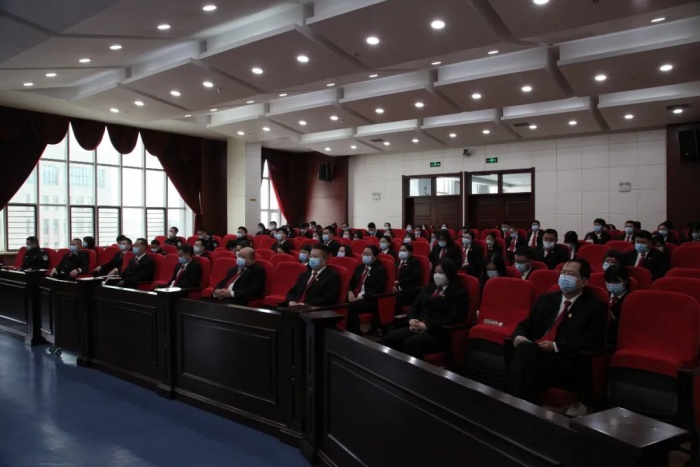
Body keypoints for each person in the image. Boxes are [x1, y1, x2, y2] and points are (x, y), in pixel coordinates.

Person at [506, 259, 607, 404]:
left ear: (584, 281)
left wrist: (556, 346)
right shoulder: (546, 299)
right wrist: (519, 336)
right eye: (563, 273)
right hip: (535, 350)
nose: (564, 277)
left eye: (570, 274)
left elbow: (592, 340)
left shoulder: (595, 306)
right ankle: (525, 405)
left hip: (564, 358)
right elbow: (526, 324)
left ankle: (515, 404)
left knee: (522, 359)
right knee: (523, 350)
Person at [382, 258, 469, 358]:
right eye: (435, 272)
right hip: (417, 327)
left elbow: (452, 318)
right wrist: (411, 319)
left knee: (411, 343)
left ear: (450, 274)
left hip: (438, 332)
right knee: (390, 338)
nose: (437, 275)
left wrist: (427, 326)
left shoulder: (458, 293)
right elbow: (415, 306)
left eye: (441, 272)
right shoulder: (429, 288)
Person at [346, 245, 387, 335]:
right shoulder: (360, 267)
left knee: (351, 307)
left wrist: (362, 297)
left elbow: (379, 289)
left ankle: (355, 334)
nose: (364, 256)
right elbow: (351, 283)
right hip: (356, 297)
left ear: (375, 257)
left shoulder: (380, 270)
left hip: (370, 299)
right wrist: (350, 292)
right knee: (342, 303)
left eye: (368, 254)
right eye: (364, 254)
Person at [604, 264, 631, 345]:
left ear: (625, 281)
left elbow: (631, 327)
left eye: (615, 282)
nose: (611, 285)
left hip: (616, 338)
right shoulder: (603, 296)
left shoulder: (631, 300)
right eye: (609, 282)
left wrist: (613, 318)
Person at [394, 243, 423, 313]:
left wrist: (399, 282)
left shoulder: (414, 262)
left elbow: (414, 277)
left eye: (404, 250)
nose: (401, 252)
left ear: (410, 252)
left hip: (409, 289)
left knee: (395, 297)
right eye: (400, 250)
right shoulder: (397, 262)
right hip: (396, 287)